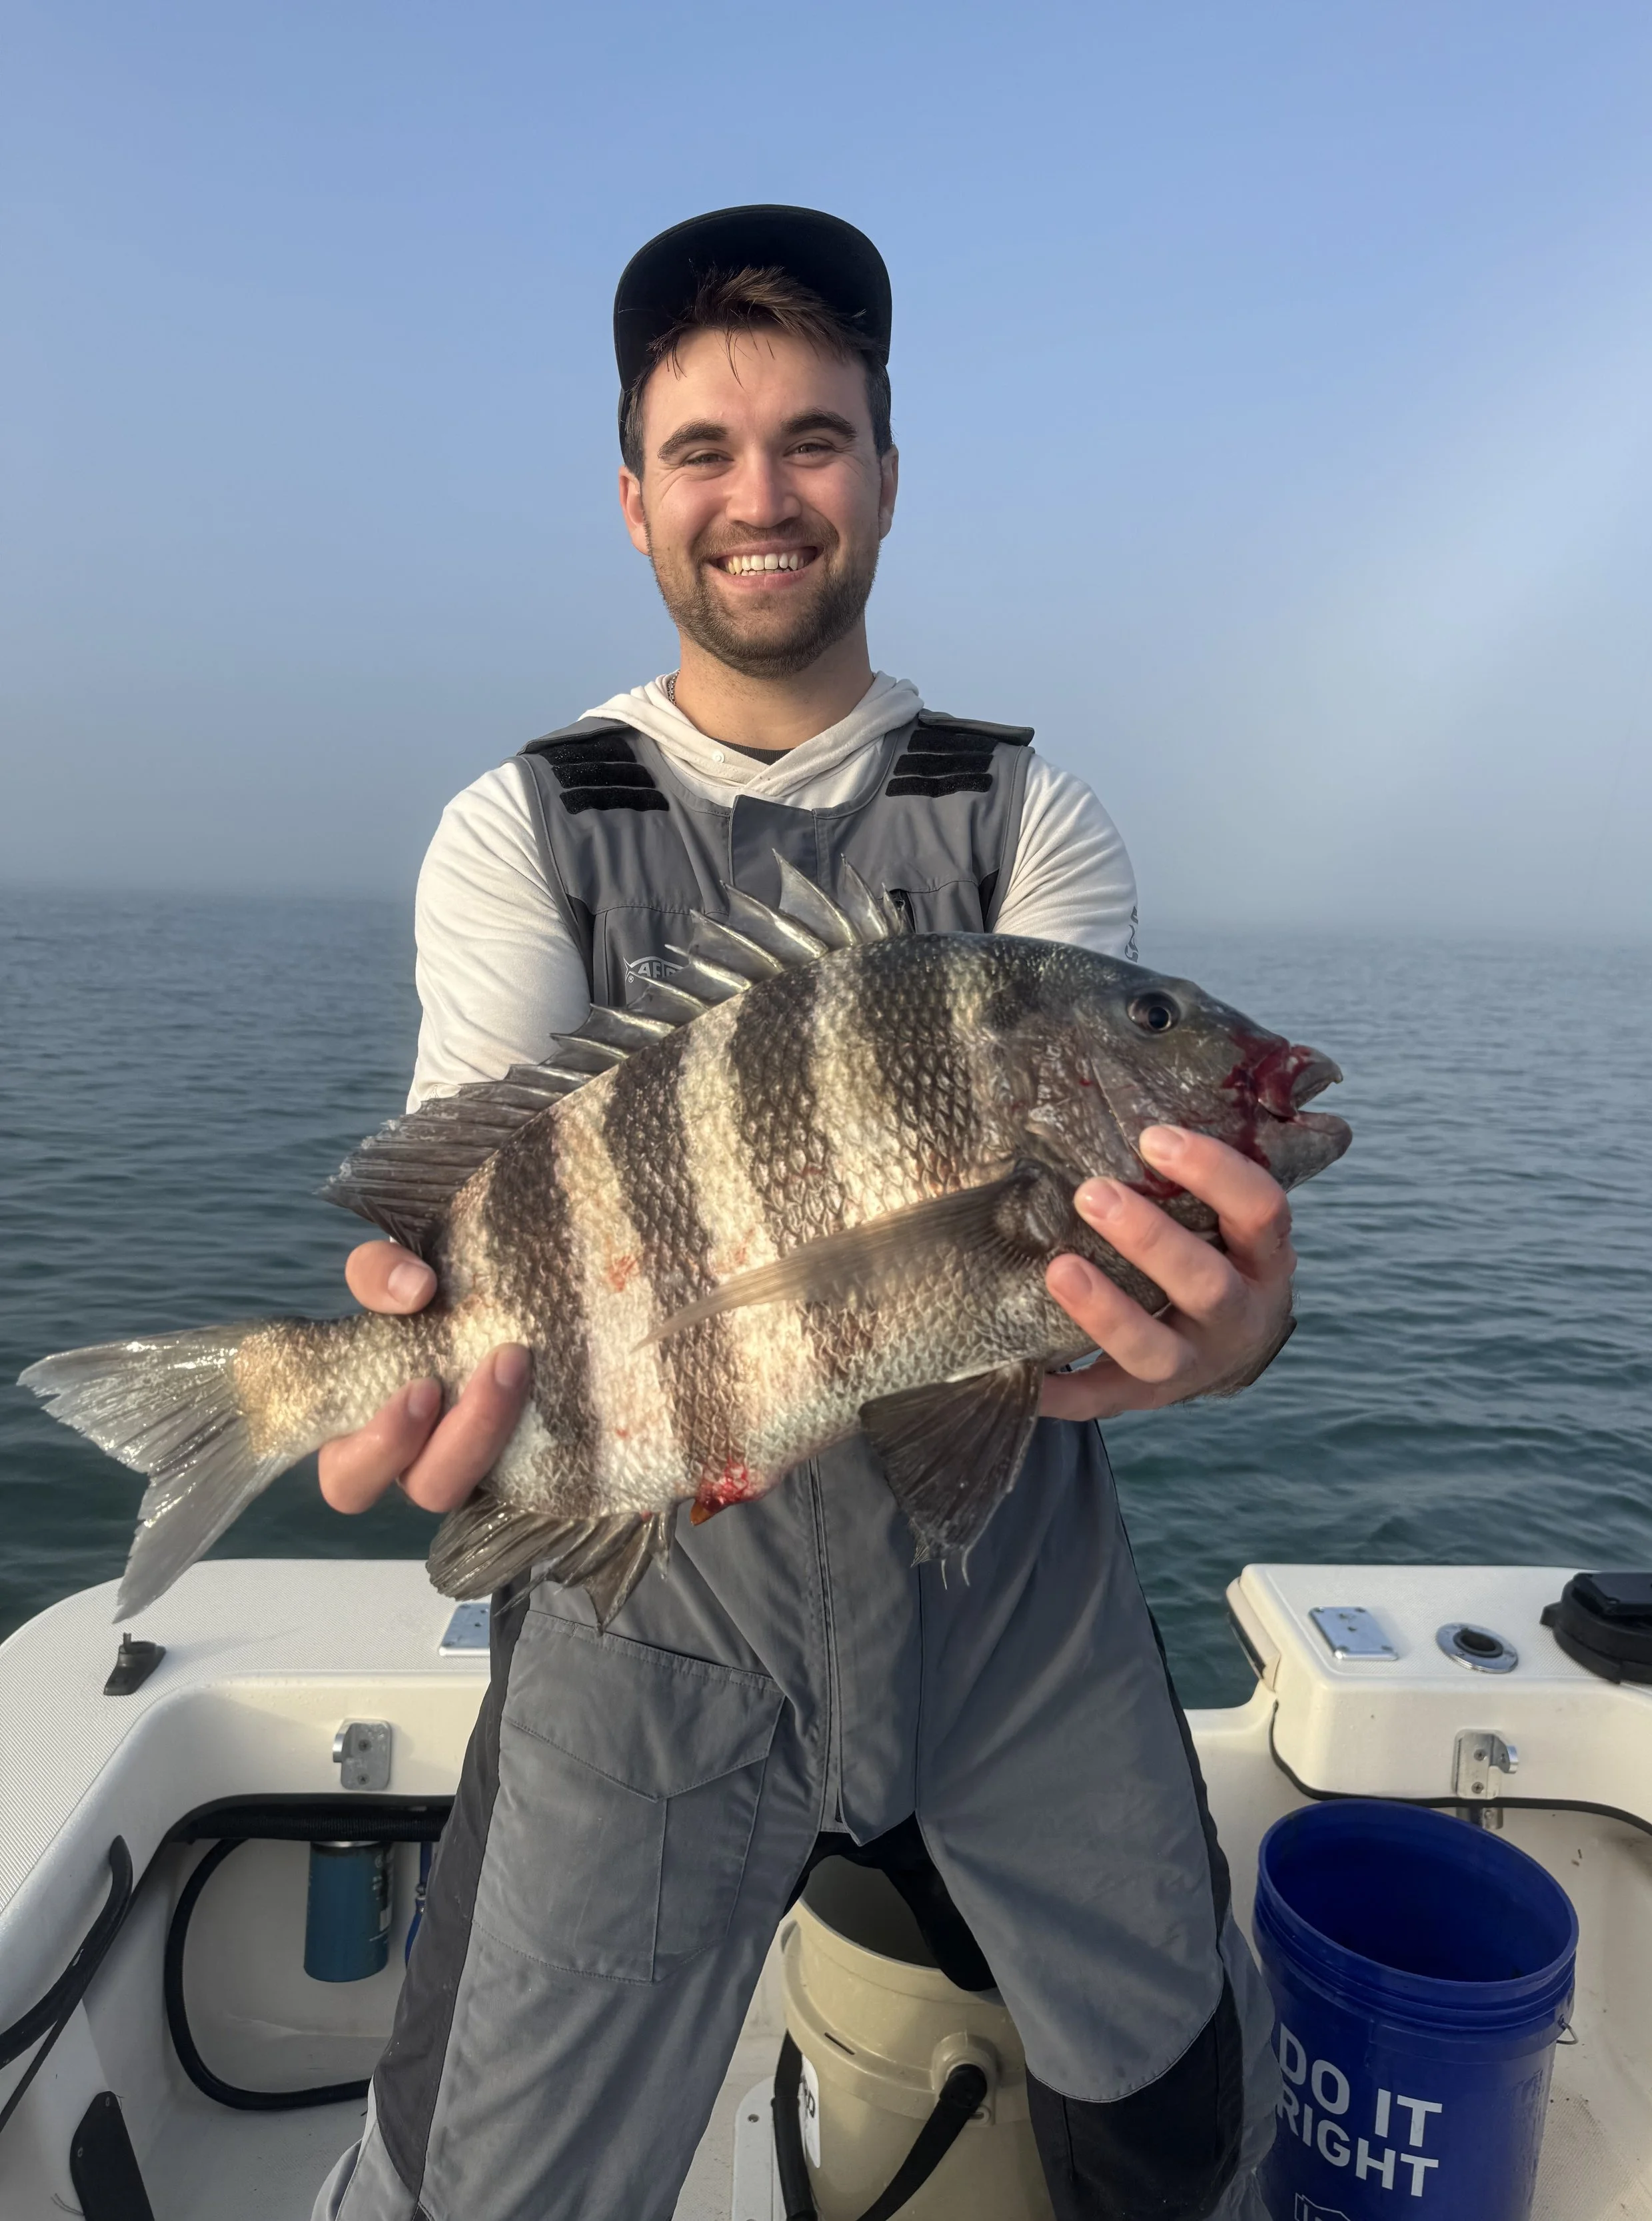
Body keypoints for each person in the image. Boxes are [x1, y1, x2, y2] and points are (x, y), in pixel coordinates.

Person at [313, 206, 1289, 2221]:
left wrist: (1224, 1333)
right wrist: (417, 1335)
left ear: (884, 474)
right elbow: (484, 1198)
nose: (761, 496)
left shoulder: (1032, 814)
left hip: (1010, 1602)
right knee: (485, 2179)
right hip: (649, 1620)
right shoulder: (522, 824)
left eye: (815, 439)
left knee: (1176, 2112)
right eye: (703, 450)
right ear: (635, 500)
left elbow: (1088, 1253)